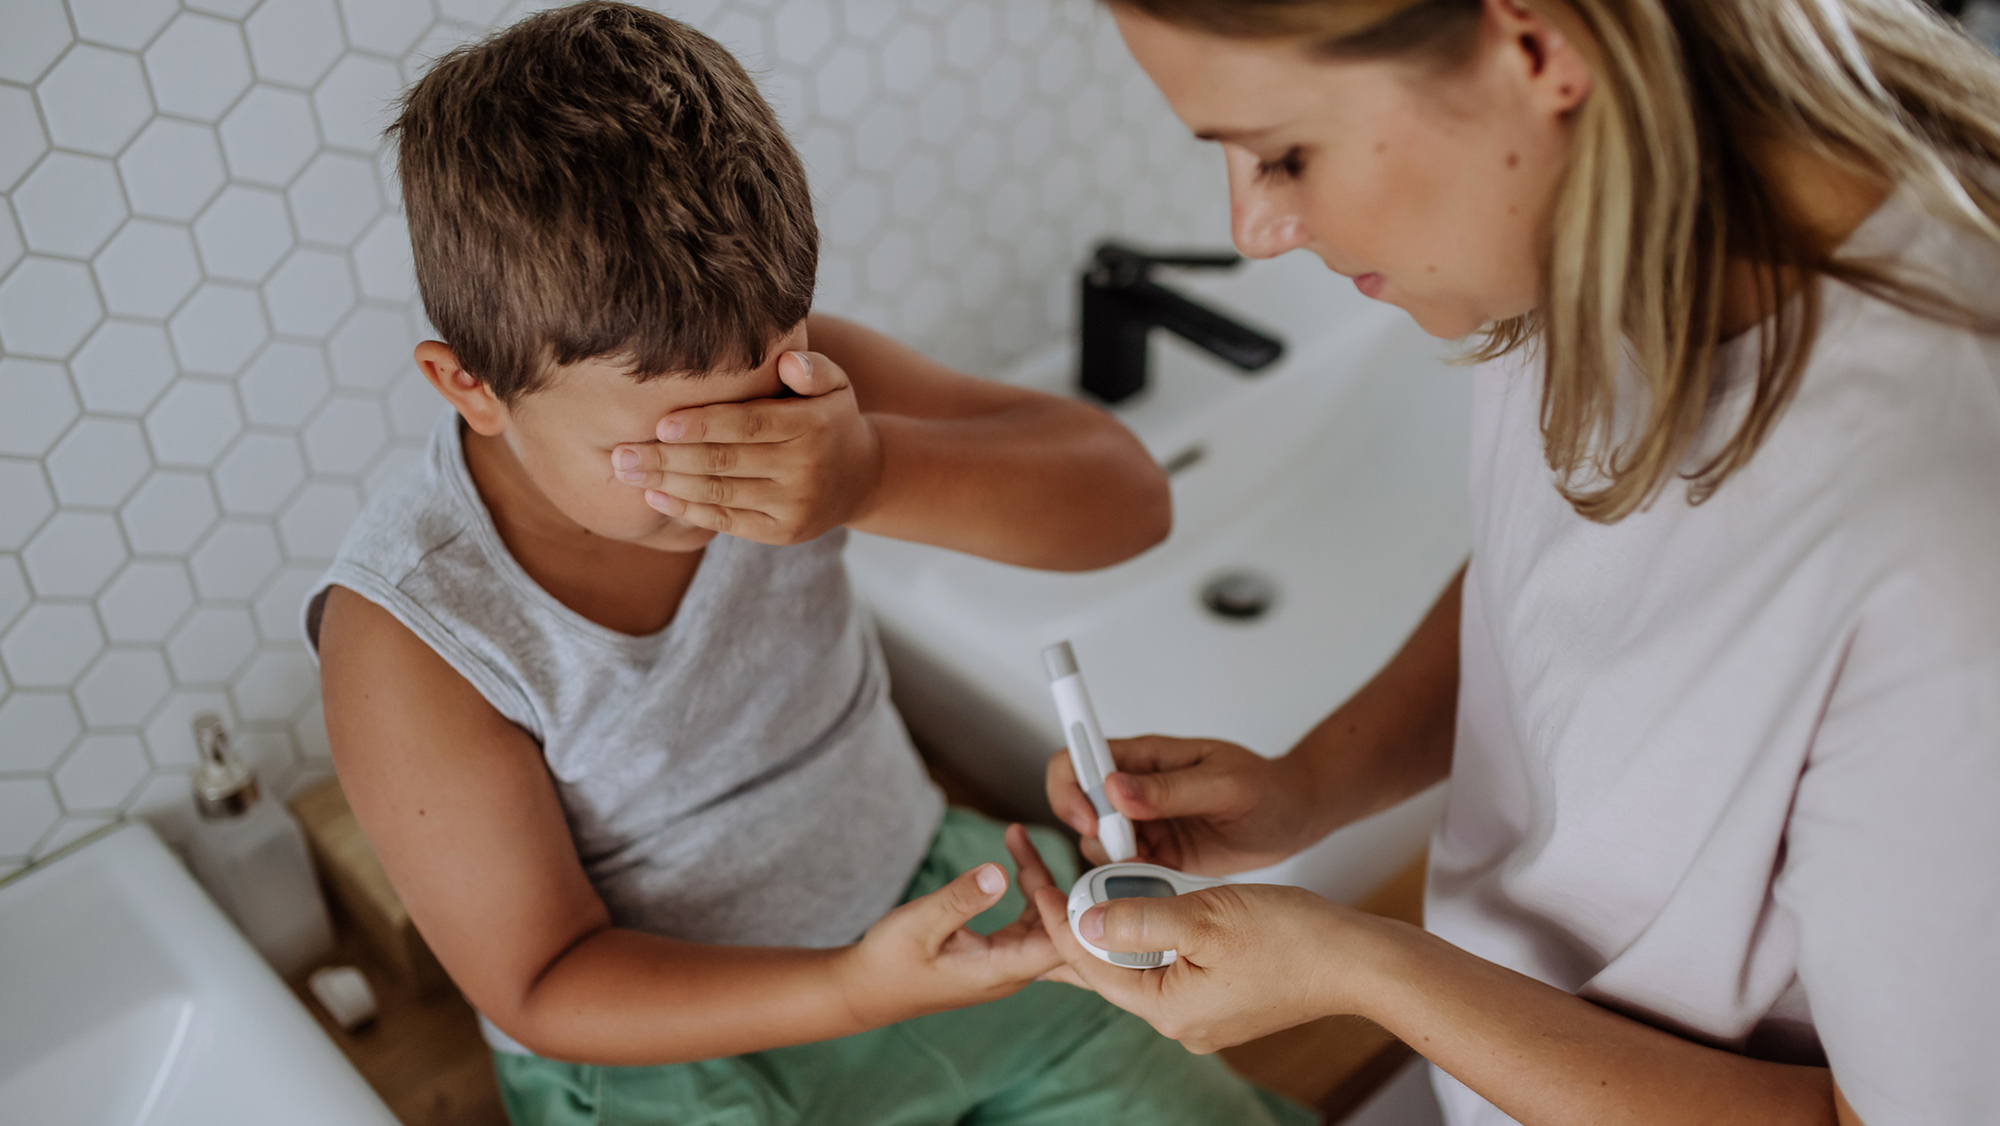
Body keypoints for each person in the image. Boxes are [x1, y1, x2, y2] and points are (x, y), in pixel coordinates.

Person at [305, 4, 1312, 1124]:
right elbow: (543, 981)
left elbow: (1126, 501)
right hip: (665, 1049)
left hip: (927, 896)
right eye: (654, 442)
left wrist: (869, 472)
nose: (735, 461)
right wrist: (847, 988)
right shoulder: (411, 636)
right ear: (471, 388)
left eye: (762, 398)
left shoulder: (807, 393)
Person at [1022, 1, 2000, 1124]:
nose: (1253, 227)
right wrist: (1310, 785)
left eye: (1283, 153)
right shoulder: (1580, 208)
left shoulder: (1945, 552)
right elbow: (1553, 576)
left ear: (1533, 47)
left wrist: (1362, 972)